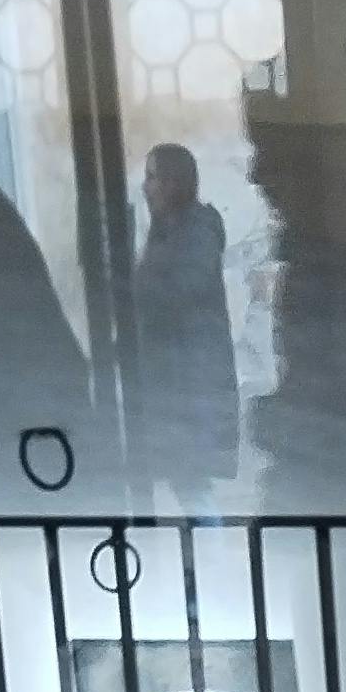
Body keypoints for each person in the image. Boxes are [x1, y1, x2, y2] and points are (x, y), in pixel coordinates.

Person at [129, 141, 240, 508]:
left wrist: (133, 284)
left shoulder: (195, 233)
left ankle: (211, 545)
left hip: (191, 382)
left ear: (173, 183)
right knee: (187, 483)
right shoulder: (169, 231)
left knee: (191, 483)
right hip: (178, 380)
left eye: (152, 177)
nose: (146, 187)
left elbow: (179, 292)